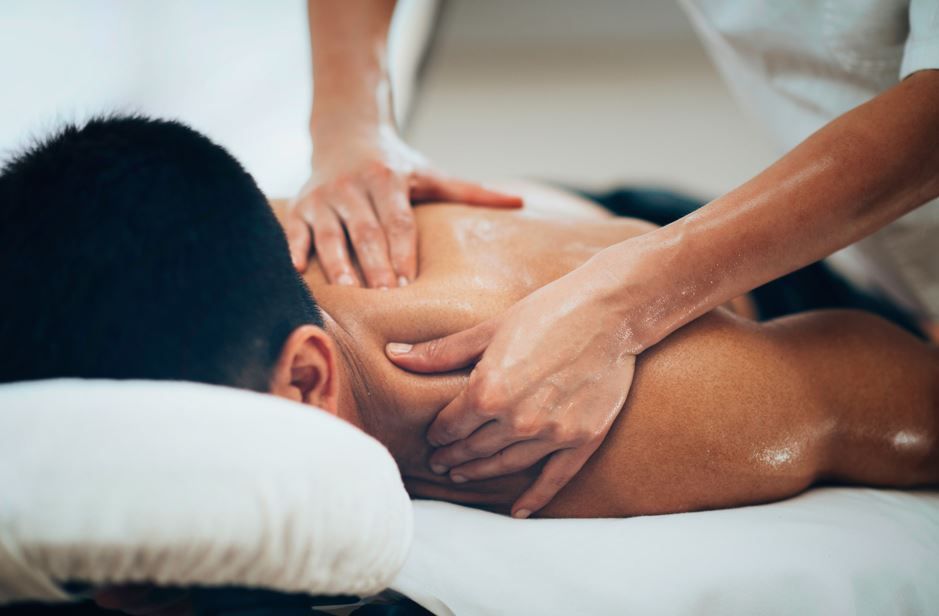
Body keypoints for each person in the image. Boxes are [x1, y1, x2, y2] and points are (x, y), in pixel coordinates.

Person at [2, 117, 936, 522]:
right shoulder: (213, 248)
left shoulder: (623, 432)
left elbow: (896, 392)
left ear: (309, 381)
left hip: (771, 285)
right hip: (548, 208)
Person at [295, 0, 939, 517]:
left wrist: (625, 302)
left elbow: (915, 404)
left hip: (737, 287)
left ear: (306, 378)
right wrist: (351, 123)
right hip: (609, 221)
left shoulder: (662, 415)